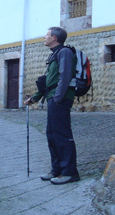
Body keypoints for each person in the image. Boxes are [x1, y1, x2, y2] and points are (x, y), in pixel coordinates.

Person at [23, 27, 80, 185]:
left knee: (62, 135)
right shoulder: (55, 54)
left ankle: (70, 172)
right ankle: (57, 170)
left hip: (59, 100)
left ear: (54, 38)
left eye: (47, 35)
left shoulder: (65, 52)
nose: (44, 37)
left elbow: (65, 76)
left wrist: (57, 98)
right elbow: (48, 81)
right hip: (53, 98)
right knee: (52, 135)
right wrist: (34, 98)